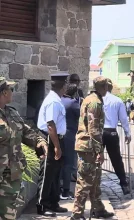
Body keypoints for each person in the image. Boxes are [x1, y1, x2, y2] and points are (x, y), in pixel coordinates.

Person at [0, 77, 48, 220]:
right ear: (4, 93)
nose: (12, 92)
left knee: (9, 214)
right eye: (11, 89)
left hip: (11, 178)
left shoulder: (12, 113)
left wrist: (40, 142)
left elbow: (26, 132)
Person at [71, 76, 114, 220]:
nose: (108, 89)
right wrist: (99, 151)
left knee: (95, 179)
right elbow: (94, 129)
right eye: (107, 86)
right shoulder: (95, 102)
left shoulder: (90, 98)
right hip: (88, 147)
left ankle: (98, 209)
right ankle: (77, 214)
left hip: (87, 145)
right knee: (85, 181)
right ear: (103, 87)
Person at [36, 72, 69, 216]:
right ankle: (42, 206)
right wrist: (56, 146)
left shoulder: (56, 99)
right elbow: (50, 125)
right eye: (66, 84)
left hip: (56, 138)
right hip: (50, 138)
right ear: (63, 86)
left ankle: (53, 202)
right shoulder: (53, 101)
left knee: (56, 173)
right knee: (47, 173)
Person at [102, 79, 131, 195]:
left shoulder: (98, 99)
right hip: (111, 131)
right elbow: (123, 119)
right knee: (116, 159)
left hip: (99, 132)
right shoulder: (117, 101)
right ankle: (123, 183)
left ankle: (94, 185)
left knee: (96, 158)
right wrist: (127, 133)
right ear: (110, 88)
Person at [60, 83, 80, 200]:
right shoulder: (73, 103)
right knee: (68, 163)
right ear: (75, 92)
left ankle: (58, 188)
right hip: (69, 135)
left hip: (60, 134)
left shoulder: (60, 100)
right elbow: (82, 115)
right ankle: (66, 191)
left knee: (60, 163)